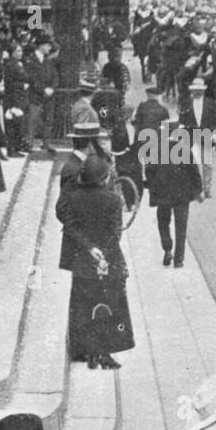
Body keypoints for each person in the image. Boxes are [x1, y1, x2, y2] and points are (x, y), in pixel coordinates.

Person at [55, 154, 135, 370]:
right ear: (104, 178)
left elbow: (70, 228)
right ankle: (103, 352)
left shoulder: (73, 197)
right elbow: (115, 231)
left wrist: (90, 248)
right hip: (109, 259)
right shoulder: (113, 199)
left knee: (82, 304)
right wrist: (104, 254)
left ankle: (85, 351)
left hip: (83, 259)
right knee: (111, 304)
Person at [144, 121, 203, 268]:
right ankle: (179, 259)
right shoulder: (184, 150)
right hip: (182, 196)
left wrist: (153, 187)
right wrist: (198, 191)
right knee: (181, 228)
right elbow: (194, 172)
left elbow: (149, 172)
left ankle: (167, 248)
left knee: (163, 223)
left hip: (163, 195)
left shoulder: (156, 149)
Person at [179, 75, 216, 200]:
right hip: (190, 136)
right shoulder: (186, 103)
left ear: (203, 91)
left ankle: (207, 189)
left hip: (207, 136)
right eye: (195, 90)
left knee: (207, 164)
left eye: (199, 90)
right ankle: (194, 189)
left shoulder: (210, 103)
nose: (197, 92)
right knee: (191, 163)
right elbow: (182, 120)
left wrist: (214, 134)